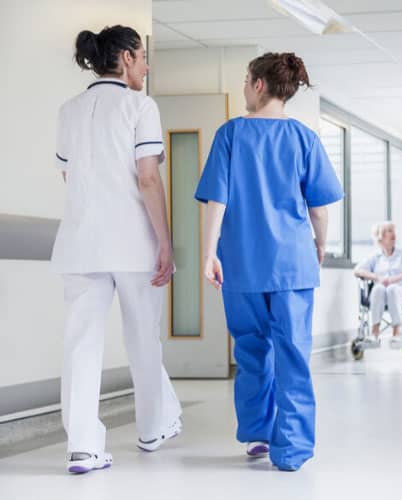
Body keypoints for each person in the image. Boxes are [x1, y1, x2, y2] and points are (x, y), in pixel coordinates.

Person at [194, 52, 343, 472]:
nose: (243, 87)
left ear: (259, 84)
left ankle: (258, 433)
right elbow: (320, 207)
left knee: (252, 349)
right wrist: (319, 244)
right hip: (293, 264)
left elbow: (216, 200)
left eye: (245, 80)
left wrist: (209, 255)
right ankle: (291, 449)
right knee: (292, 353)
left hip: (242, 262)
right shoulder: (304, 138)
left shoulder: (230, 135)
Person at [52, 25, 181, 474]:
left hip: (80, 243)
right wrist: (165, 241)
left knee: (81, 345)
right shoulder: (139, 106)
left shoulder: (69, 110)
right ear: (126, 58)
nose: (146, 66)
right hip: (132, 242)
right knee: (143, 337)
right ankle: (152, 427)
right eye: (143, 56)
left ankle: (83, 448)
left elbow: (70, 178)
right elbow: (148, 177)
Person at [354, 222, 402, 347]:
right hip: (380, 294)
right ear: (380, 237)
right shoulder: (375, 256)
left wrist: (394, 279)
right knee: (378, 289)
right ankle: (374, 333)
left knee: (392, 289)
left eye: (393, 230)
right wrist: (377, 277)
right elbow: (358, 270)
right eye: (389, 231)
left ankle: (396, 333)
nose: (393, 234)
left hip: (401, 290)